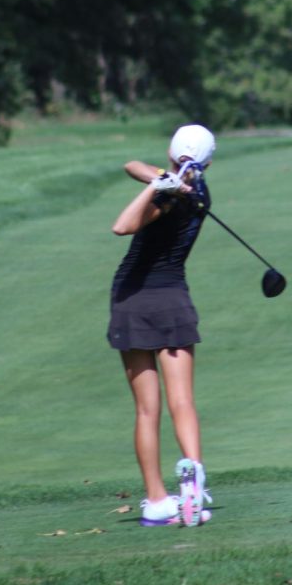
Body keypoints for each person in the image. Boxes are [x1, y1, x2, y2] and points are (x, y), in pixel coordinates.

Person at [108, 124, 215, 527]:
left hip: (133, 299)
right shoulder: (199, 193)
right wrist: (164, 179)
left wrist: (157, 187)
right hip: (173, 301)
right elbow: (132, 164)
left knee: (147, 410)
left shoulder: (171, 198)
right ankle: (194, 477)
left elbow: (123, 226)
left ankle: (156, 501)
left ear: (172, 153)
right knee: (182, 401)